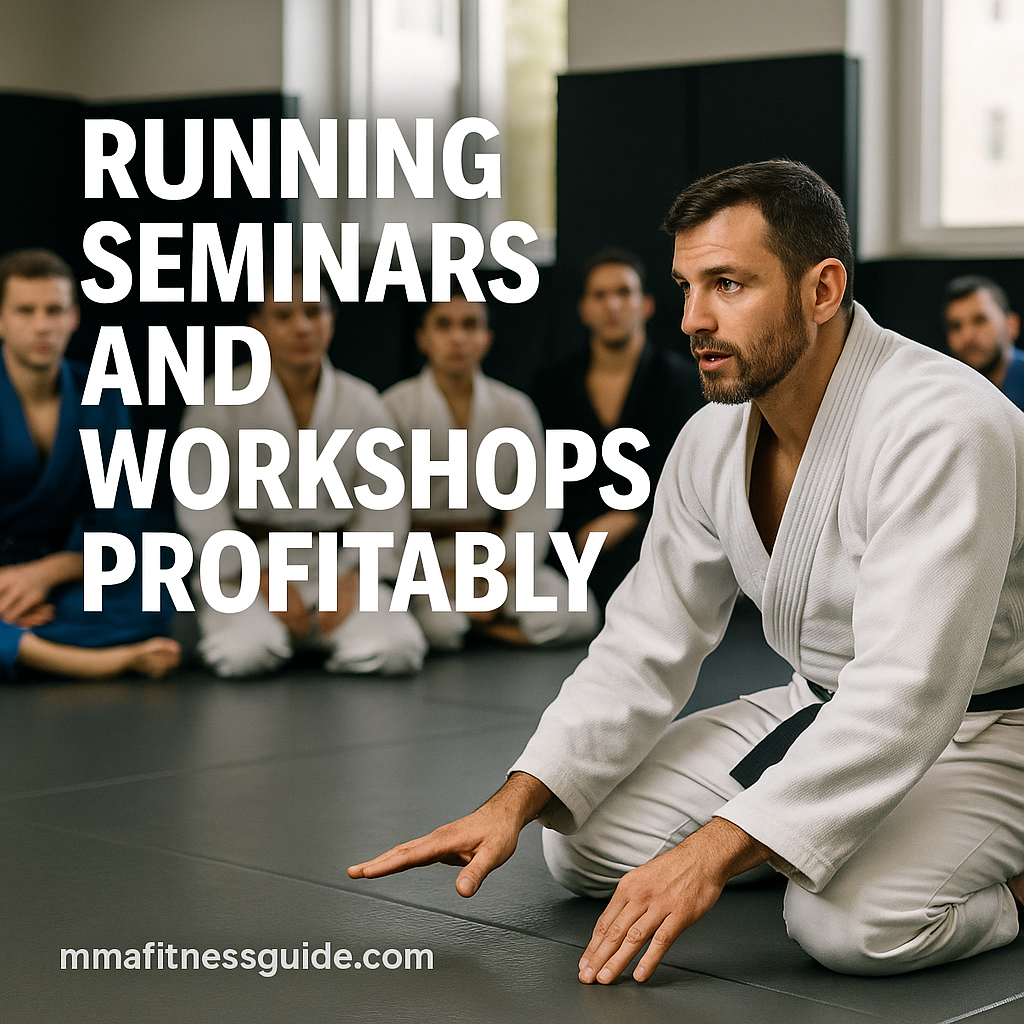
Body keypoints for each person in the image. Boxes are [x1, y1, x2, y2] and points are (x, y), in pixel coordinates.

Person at [348, 160, 1024, 981]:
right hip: (826, 705)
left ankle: (1003, 880)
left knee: (849, 926)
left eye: (729, 285)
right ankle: (809, 834)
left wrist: (710, 852)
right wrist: (513, 800)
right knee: (581, 844)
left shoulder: (942, 426)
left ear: (821, 289)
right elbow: (643, 640)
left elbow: (910, 688)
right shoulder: (712, 439)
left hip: (991, 728)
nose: (693, 319)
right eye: (685, 287)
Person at [176, 273, 427, 677]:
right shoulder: (217, 399)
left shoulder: (362, 403)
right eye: (284, 315)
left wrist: (355, 577)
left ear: (331, 320)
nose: (302, 327)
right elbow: (201, 503)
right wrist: (259, 578)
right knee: (245, 655)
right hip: (247, 568)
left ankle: (309, 639)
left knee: (398, 650)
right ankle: (291, 639)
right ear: (257, 326)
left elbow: (385, 507)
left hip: (338, 564)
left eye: (314, 312)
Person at [0, 248, 180, 679]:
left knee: (155, 593)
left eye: (54, 310)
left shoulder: (103, 394)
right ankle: (93, 661)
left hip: (65, 571)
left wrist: (46, 574)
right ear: (1, 319)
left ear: (74, 317)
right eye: (25, 311)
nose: (42, 325)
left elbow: (124, 518)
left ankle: (20, 646)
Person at [382, 293, 599, 650]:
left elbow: (536, 499)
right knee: (441, 629)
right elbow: (383, 511)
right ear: (423, 339)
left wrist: (498, 572)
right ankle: (477, 625)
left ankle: (481, 629)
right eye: (444, 325)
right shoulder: (393, 408)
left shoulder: (513, 408)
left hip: (494, 557)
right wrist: (440, 577)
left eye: (470, 325)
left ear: (487, 338)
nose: (457, 338)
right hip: (423, 562)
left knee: (578, 614)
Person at [533, 249, 703, 607]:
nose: (612, 304)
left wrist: (629, 516)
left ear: (646, 305)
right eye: (600, 294)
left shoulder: (684, 384)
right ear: (584, 309)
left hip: (655, 536)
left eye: (624, 293)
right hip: (569, 541)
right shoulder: (552, 386)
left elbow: (689, 472)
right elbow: (544, 473)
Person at [944, 274, 1023, 407]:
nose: (967, 336)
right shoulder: (945, 396)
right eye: (956, 326)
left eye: (980, 320)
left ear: (1011, 325)